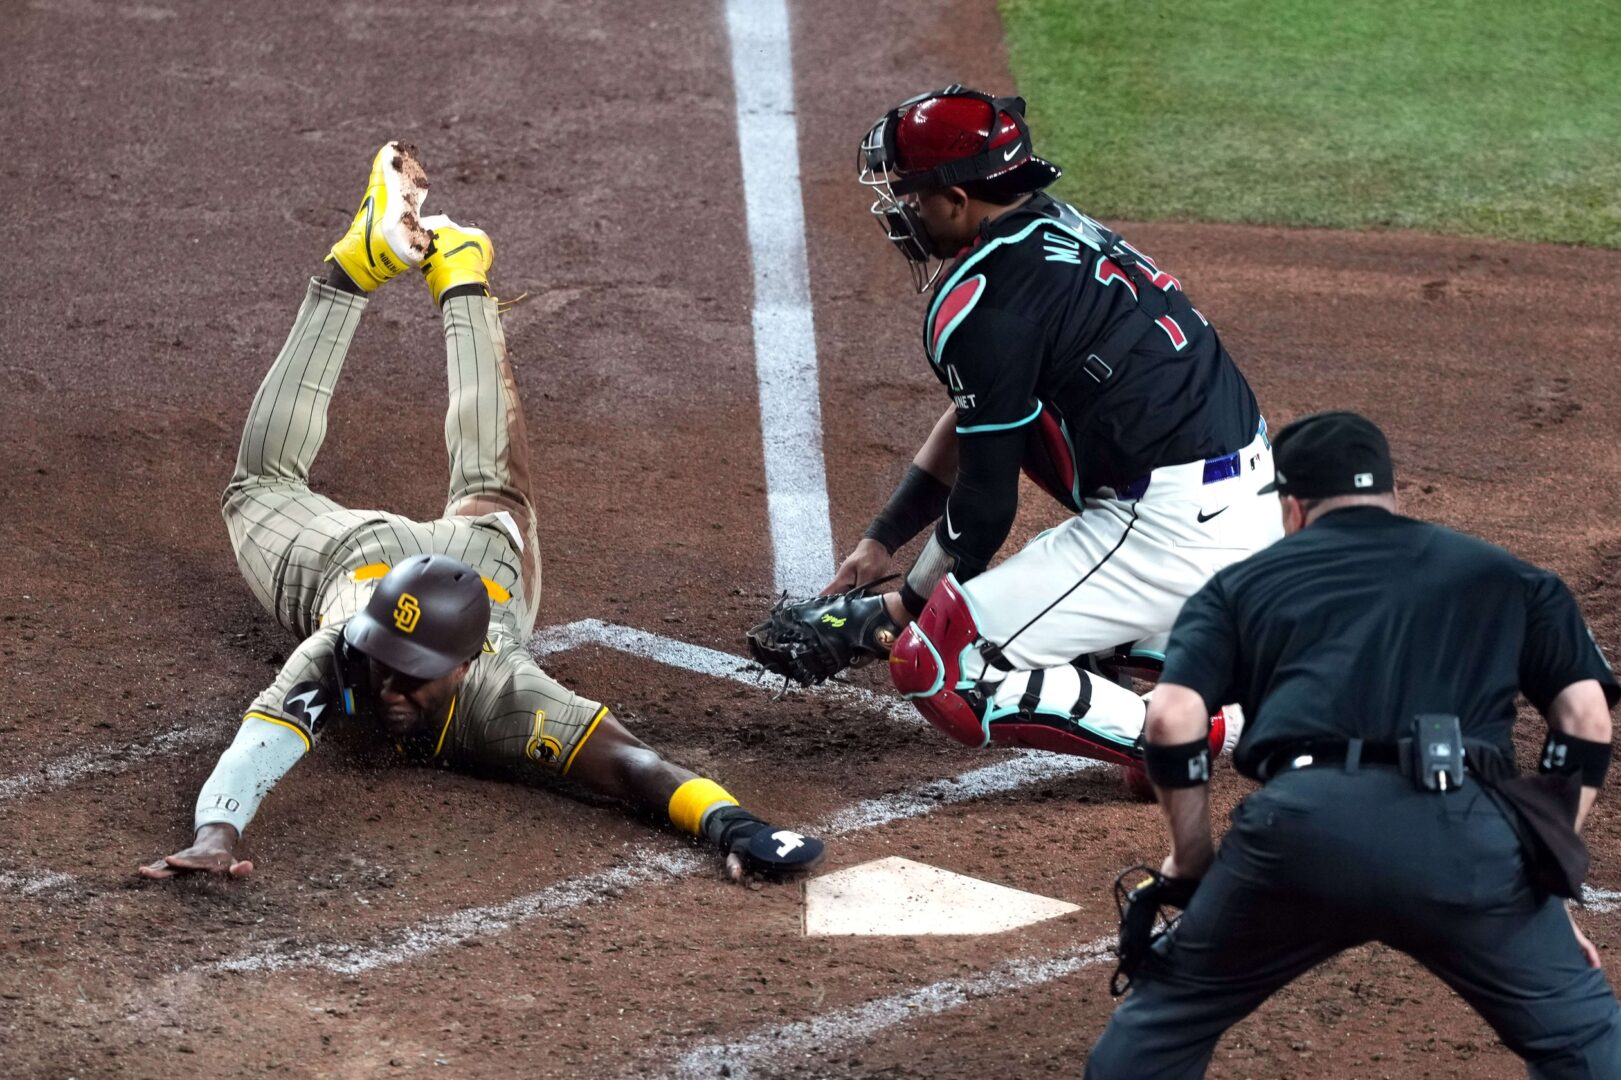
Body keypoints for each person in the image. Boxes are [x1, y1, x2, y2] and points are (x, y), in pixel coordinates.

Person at [139, 143, 823, 884]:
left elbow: (632, 764)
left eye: (412, 676)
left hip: (482, 556)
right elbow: (260, 744)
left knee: (491, 501)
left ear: (464, 669)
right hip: (355, 558)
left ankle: (458, 269)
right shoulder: (344, 646)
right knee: (271, 485)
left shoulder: (504, 695)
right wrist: (216, 836)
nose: (391, 689)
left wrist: (732, 822)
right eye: (386, 666)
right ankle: (362, 269)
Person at [749, 87, 1276, 777]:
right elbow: (982, 415)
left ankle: (1189, 736)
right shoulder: (1048, 226)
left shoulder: (984, 301)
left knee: (940, 661)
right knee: (1049, 634)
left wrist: (903, 608)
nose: (903, 209)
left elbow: (986, 506)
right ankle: (1158, 656)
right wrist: (884, 539)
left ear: (958, 198)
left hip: (1167, 530)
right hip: (1238, 503)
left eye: (911, 193)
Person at [1087, 411, 1621, 1078]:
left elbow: (1169, 719)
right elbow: (1586, 720)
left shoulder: (1237, 587)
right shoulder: (1509, 575)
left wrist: (1193, 861)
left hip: (1302, 832)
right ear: (1391, 496)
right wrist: (1536, 878)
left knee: (1160, 1023)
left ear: (1292, 508)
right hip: (1463, 841)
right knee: (1584, 1045)